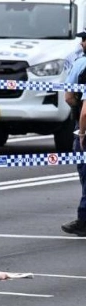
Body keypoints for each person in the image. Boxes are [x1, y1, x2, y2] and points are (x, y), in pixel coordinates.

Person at [62, 30, 86, 235]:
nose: (81, 43)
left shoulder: (80, 64)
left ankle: (83, 219)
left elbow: (68, 97)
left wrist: (82, 133)